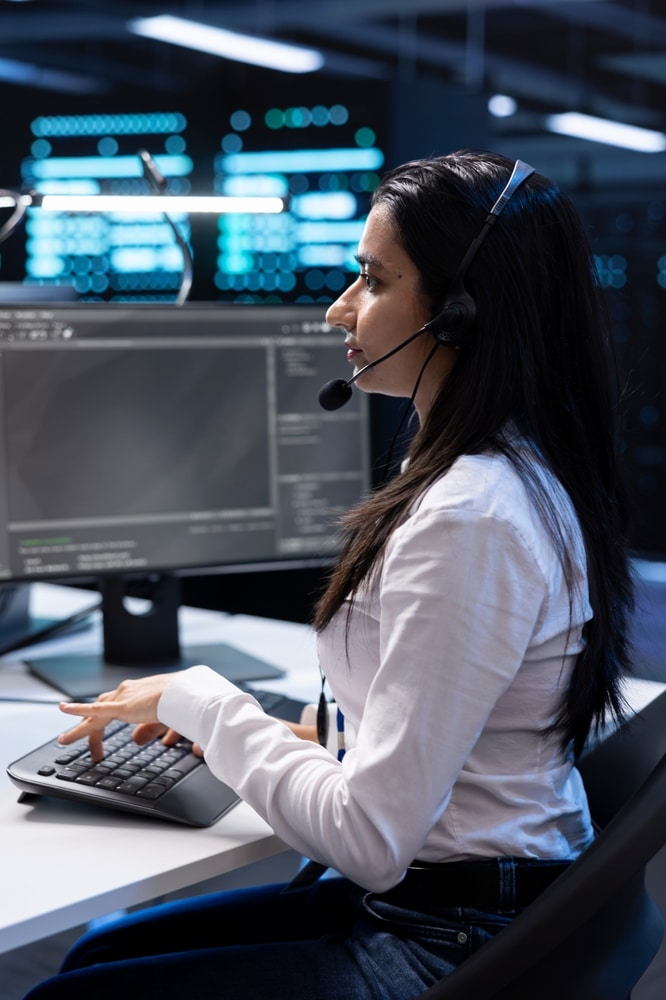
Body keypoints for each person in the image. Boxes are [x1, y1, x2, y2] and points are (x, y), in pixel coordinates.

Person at [25, 148, 633, 1000]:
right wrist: (269, 733)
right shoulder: (494, 470)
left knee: (67, 993)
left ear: (459, 312)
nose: (338, 309)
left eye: (373, 280)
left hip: (449, 935)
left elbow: (370, 839)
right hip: (451, 897)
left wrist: (207, 705)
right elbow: (443, 732)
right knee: (95, 954)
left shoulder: (472, 517)